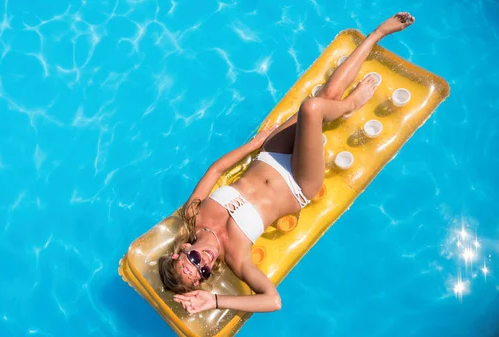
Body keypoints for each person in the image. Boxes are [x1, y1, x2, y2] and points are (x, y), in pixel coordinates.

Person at [158, 12, 415, 314]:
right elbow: (273, 300)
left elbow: (215, 170)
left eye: (195, 262)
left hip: (270, 155)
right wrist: (213, 301)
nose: (206, 263)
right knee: (313, 108)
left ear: (181, 253)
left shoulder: (193, 215)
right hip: (299, 182)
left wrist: (253, 145)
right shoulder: (237, 258)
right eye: (203, 275)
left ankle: (376, 35)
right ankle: (350, 106)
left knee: (325, 95)